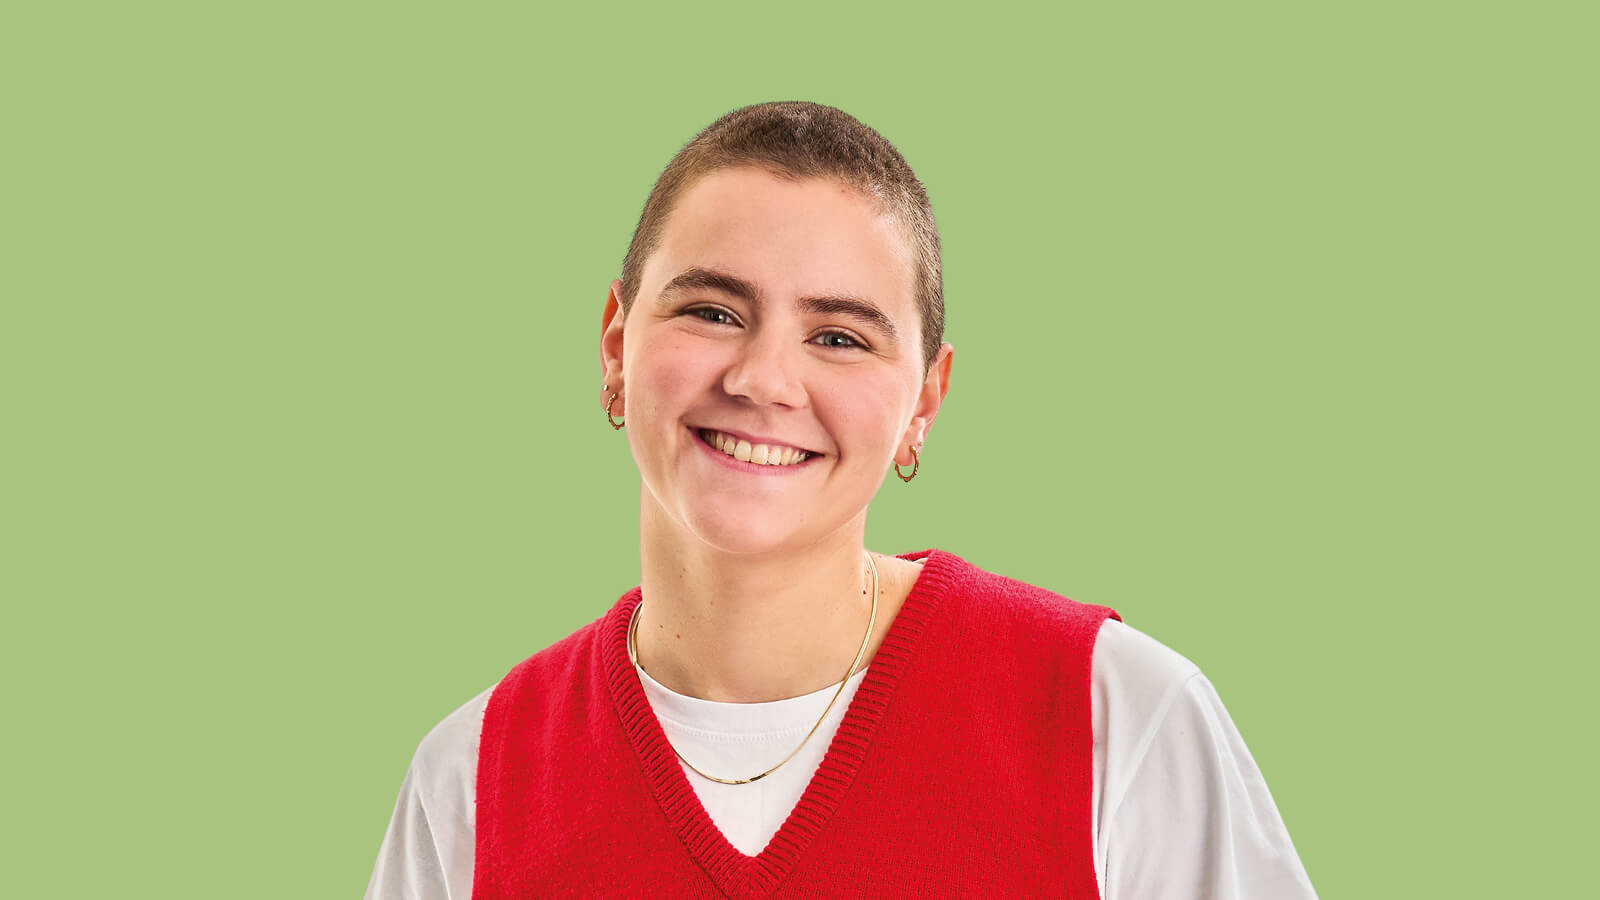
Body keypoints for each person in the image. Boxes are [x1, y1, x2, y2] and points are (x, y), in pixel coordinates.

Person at [365, 101, 1317, 899]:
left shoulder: (1115, 718)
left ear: (925, 404)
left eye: (841, 337)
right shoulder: (472, 782)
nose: (764, 378)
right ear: (616, 346)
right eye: (711, 311)